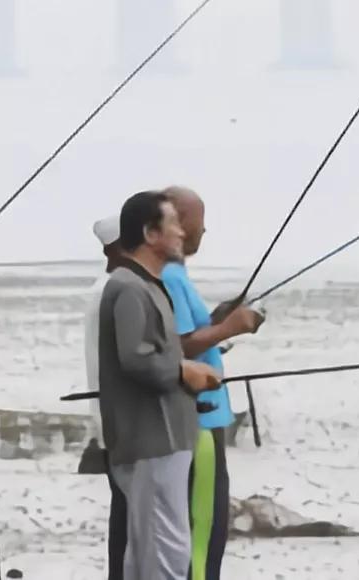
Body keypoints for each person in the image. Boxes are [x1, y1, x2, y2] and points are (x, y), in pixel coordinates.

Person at [98, 190, 220, 580]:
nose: (182, 233)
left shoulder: (149, 285)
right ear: (151, 234)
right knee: (163, 555)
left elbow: (154, 352)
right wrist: (186, 372)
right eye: (173, 225)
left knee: (157, 553)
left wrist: (183, 366)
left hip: (167, 438)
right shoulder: (128, 288)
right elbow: (135, 357)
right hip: (152, 441)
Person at [159, 186, 262, 580]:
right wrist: (231, 328)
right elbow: (179, 347)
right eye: (200, 223)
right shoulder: (170, 277)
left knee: (207, 528)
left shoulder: (175, 276)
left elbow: (191, 335)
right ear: (180, 227)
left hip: (205, 419)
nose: (205, 231)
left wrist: (219, 321)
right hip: (199, 422)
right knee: (203, 532)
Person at [84, 214, 127, 580]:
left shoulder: (105, 288)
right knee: (130, 520)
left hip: (110, 420)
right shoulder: (117, 291)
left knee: (125, 515)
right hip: (124, 422)